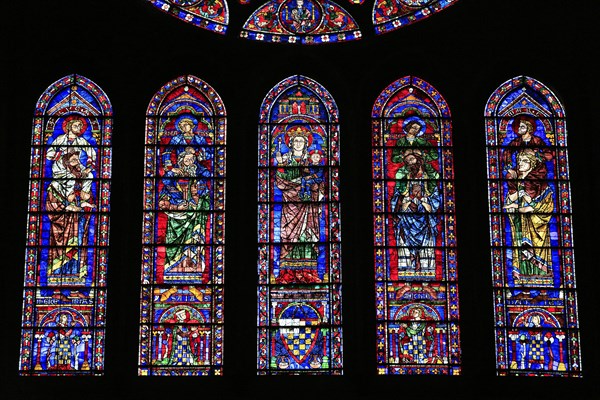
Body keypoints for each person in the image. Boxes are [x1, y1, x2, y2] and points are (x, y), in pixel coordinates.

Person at [274, 126, 324, 284]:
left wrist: (313, 187)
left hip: (308, 207)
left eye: (301, 141)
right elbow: (280, 182)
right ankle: (287, 274)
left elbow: (319, 184)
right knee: (289, 238)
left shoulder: (311, 163)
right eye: (295, 140)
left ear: (306, 144)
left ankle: (309, 273)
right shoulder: (285, 161)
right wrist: (281, 167)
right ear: (290, 143)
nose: (298, 143)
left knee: (307, 238)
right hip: (289, 206)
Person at [503, 149, 553, 283]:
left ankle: (543, 289)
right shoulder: (517, 182)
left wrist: (527, 207)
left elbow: (546, 205)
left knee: (536, 256)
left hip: (536, 228)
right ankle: (523, 287)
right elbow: (510, 203)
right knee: (522, 256)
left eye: (524, 161)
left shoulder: (540, 184)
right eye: (519, 161)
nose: (520, 163)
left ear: (532, 163)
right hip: (520, 226)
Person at [159, 147, 211, 275]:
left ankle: (193, 267)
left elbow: (205, 196)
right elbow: (162, 200)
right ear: (181, 162)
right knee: (174, 246)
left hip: (194, 217)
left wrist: (196, 200)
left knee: (194, 242)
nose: (190, 162)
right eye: (187, 160)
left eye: (192, 160)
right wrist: (176, 207)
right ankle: (173, 268)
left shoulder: (198, 178)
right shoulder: (173, 178)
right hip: (176, 217)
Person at [46, 149, 96, 279]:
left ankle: (77, 280)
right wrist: (67, 207)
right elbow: (52, 206)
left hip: (77, 223)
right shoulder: (55, 185)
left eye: (78, 160)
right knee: (62, 252)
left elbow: (86, 198)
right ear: (65, 163)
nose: (77, 163)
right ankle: (56, 284)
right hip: (62, 225)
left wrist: (85, 203)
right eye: (73, 160)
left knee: (77, 249)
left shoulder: (80, 182)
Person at [390, 147, 440, 274]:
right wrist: (406, 201)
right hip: (406, 219)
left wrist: (422, 200)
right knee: (402, 236)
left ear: (419, 161)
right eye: (407, 162)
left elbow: (435, 201)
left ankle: (426, 272)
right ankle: (406, 271)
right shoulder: (403, 180)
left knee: (427, 247)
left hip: (425, 219)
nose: (409, 164)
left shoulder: (429, 180)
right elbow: (396, 199)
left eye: (412, 160)